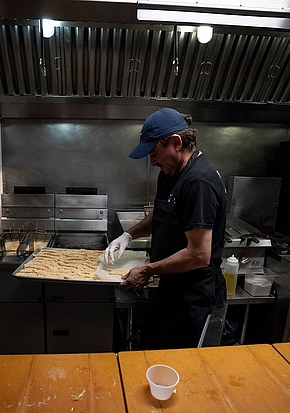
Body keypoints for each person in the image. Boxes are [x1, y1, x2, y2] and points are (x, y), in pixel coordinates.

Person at [105, 107, 227, 349]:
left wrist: (149, 269)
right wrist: (128, 235)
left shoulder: (198, 182)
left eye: (153, 153)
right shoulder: (170, 173)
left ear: (176, 142)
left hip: (194, 296)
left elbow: (199, 255)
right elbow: (161, 213)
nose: (152, 162)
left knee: (185, 367)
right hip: (171, 288)